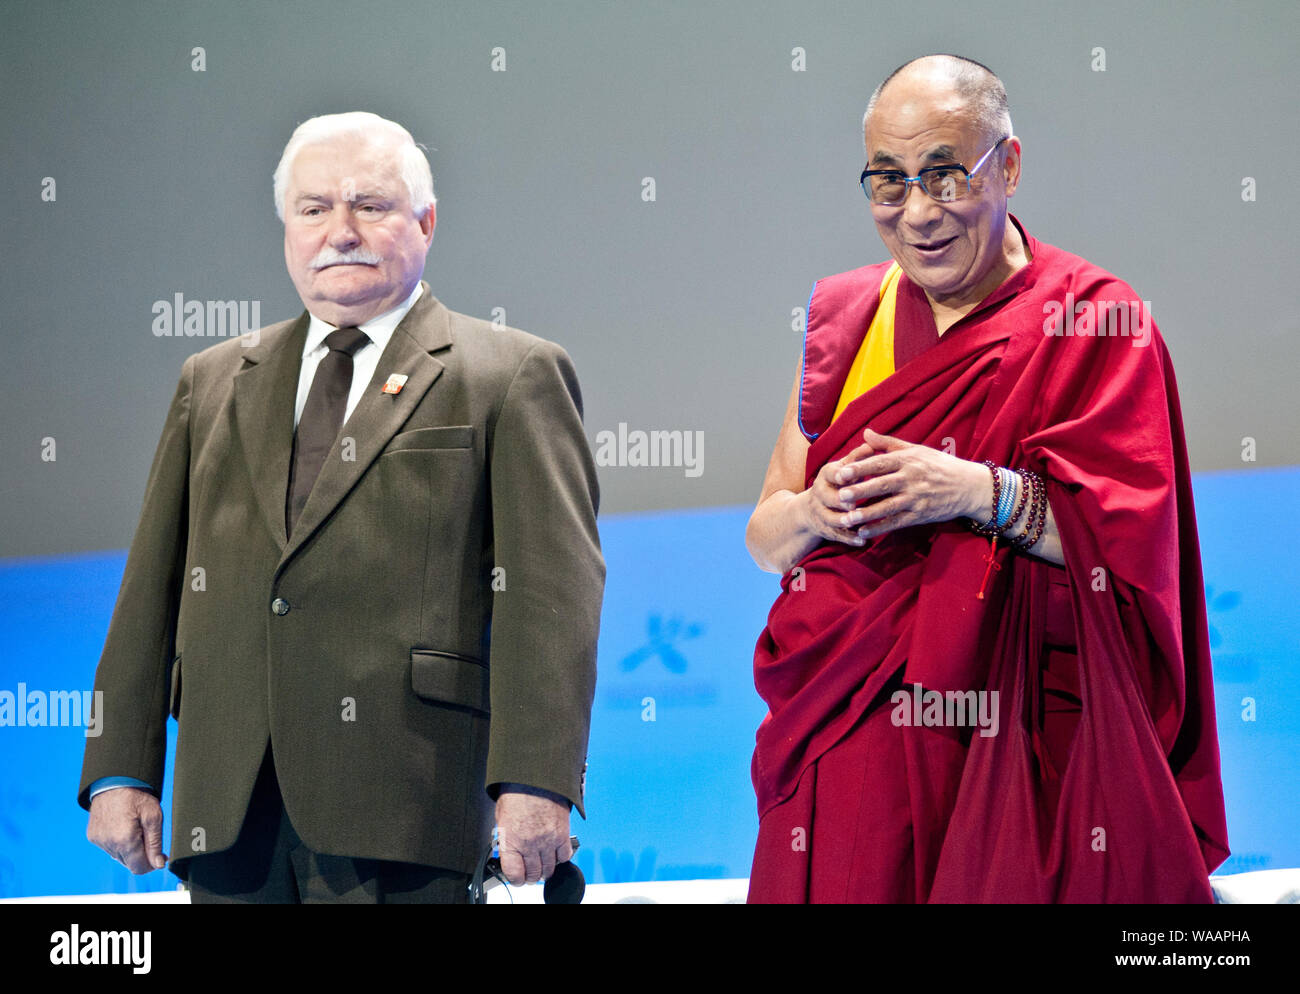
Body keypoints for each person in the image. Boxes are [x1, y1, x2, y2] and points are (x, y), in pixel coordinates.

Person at [78, 111, 604, 903]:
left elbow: (551, 598)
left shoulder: (510, 372)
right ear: (288, 229)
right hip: (230, 809)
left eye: (371, 205)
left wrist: (538, 780)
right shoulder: (213, 379)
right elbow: (152, 584)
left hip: (409, 802)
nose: (341, 230)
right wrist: (120, 764)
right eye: (314, 209)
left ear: (426, 221)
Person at [744, 55, 1228, 903]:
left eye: (943, 175)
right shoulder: (848, 320)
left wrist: (978, 492)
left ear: (1006, 165)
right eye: (887, 183)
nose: (918, 214)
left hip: (1031, 740)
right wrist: (817, 510)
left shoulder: (1093, 317)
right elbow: (765, 533)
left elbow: (1131, 552)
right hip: (857, 728)